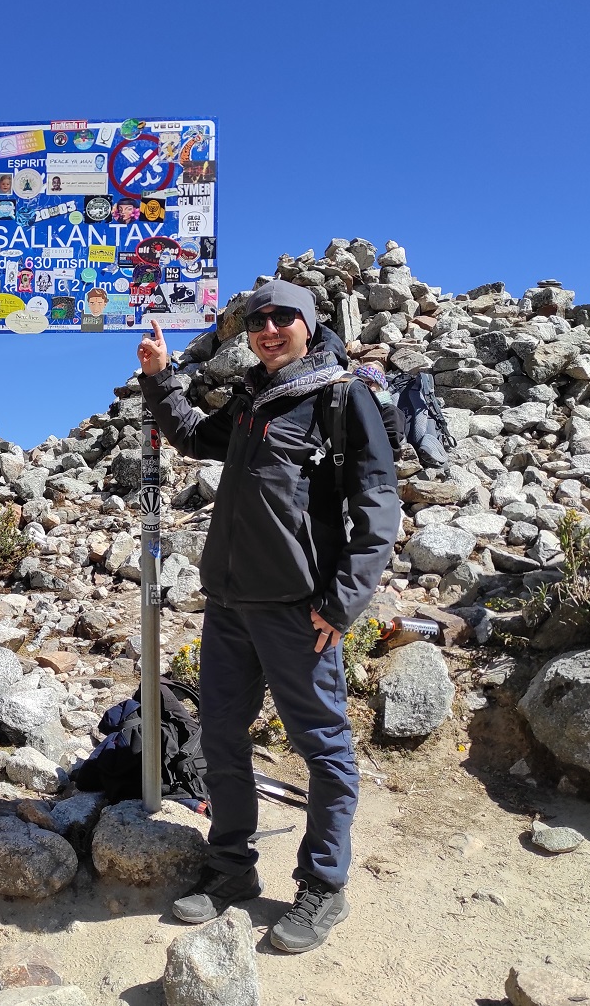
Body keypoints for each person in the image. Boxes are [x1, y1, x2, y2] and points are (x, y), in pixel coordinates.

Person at [136, 279, 399, 953]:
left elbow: (378, 507)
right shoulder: (253, 400)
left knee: (324, 749)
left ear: (310, 326)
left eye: (285, 317)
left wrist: (343, 602)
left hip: (300, 610)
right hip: (230, 605)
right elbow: (194, 438)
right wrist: (163, 380)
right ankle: (231, 869)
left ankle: (323, 886)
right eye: (259, 320)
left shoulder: (343, 398)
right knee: (220, 737)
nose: (270, 327)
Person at [351, 363, 406, 450]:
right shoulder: (348, 408)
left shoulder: (390, 412)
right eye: (359, 384)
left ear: (380, 385)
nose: (363, 388)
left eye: (368, 383)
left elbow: (391, 449)